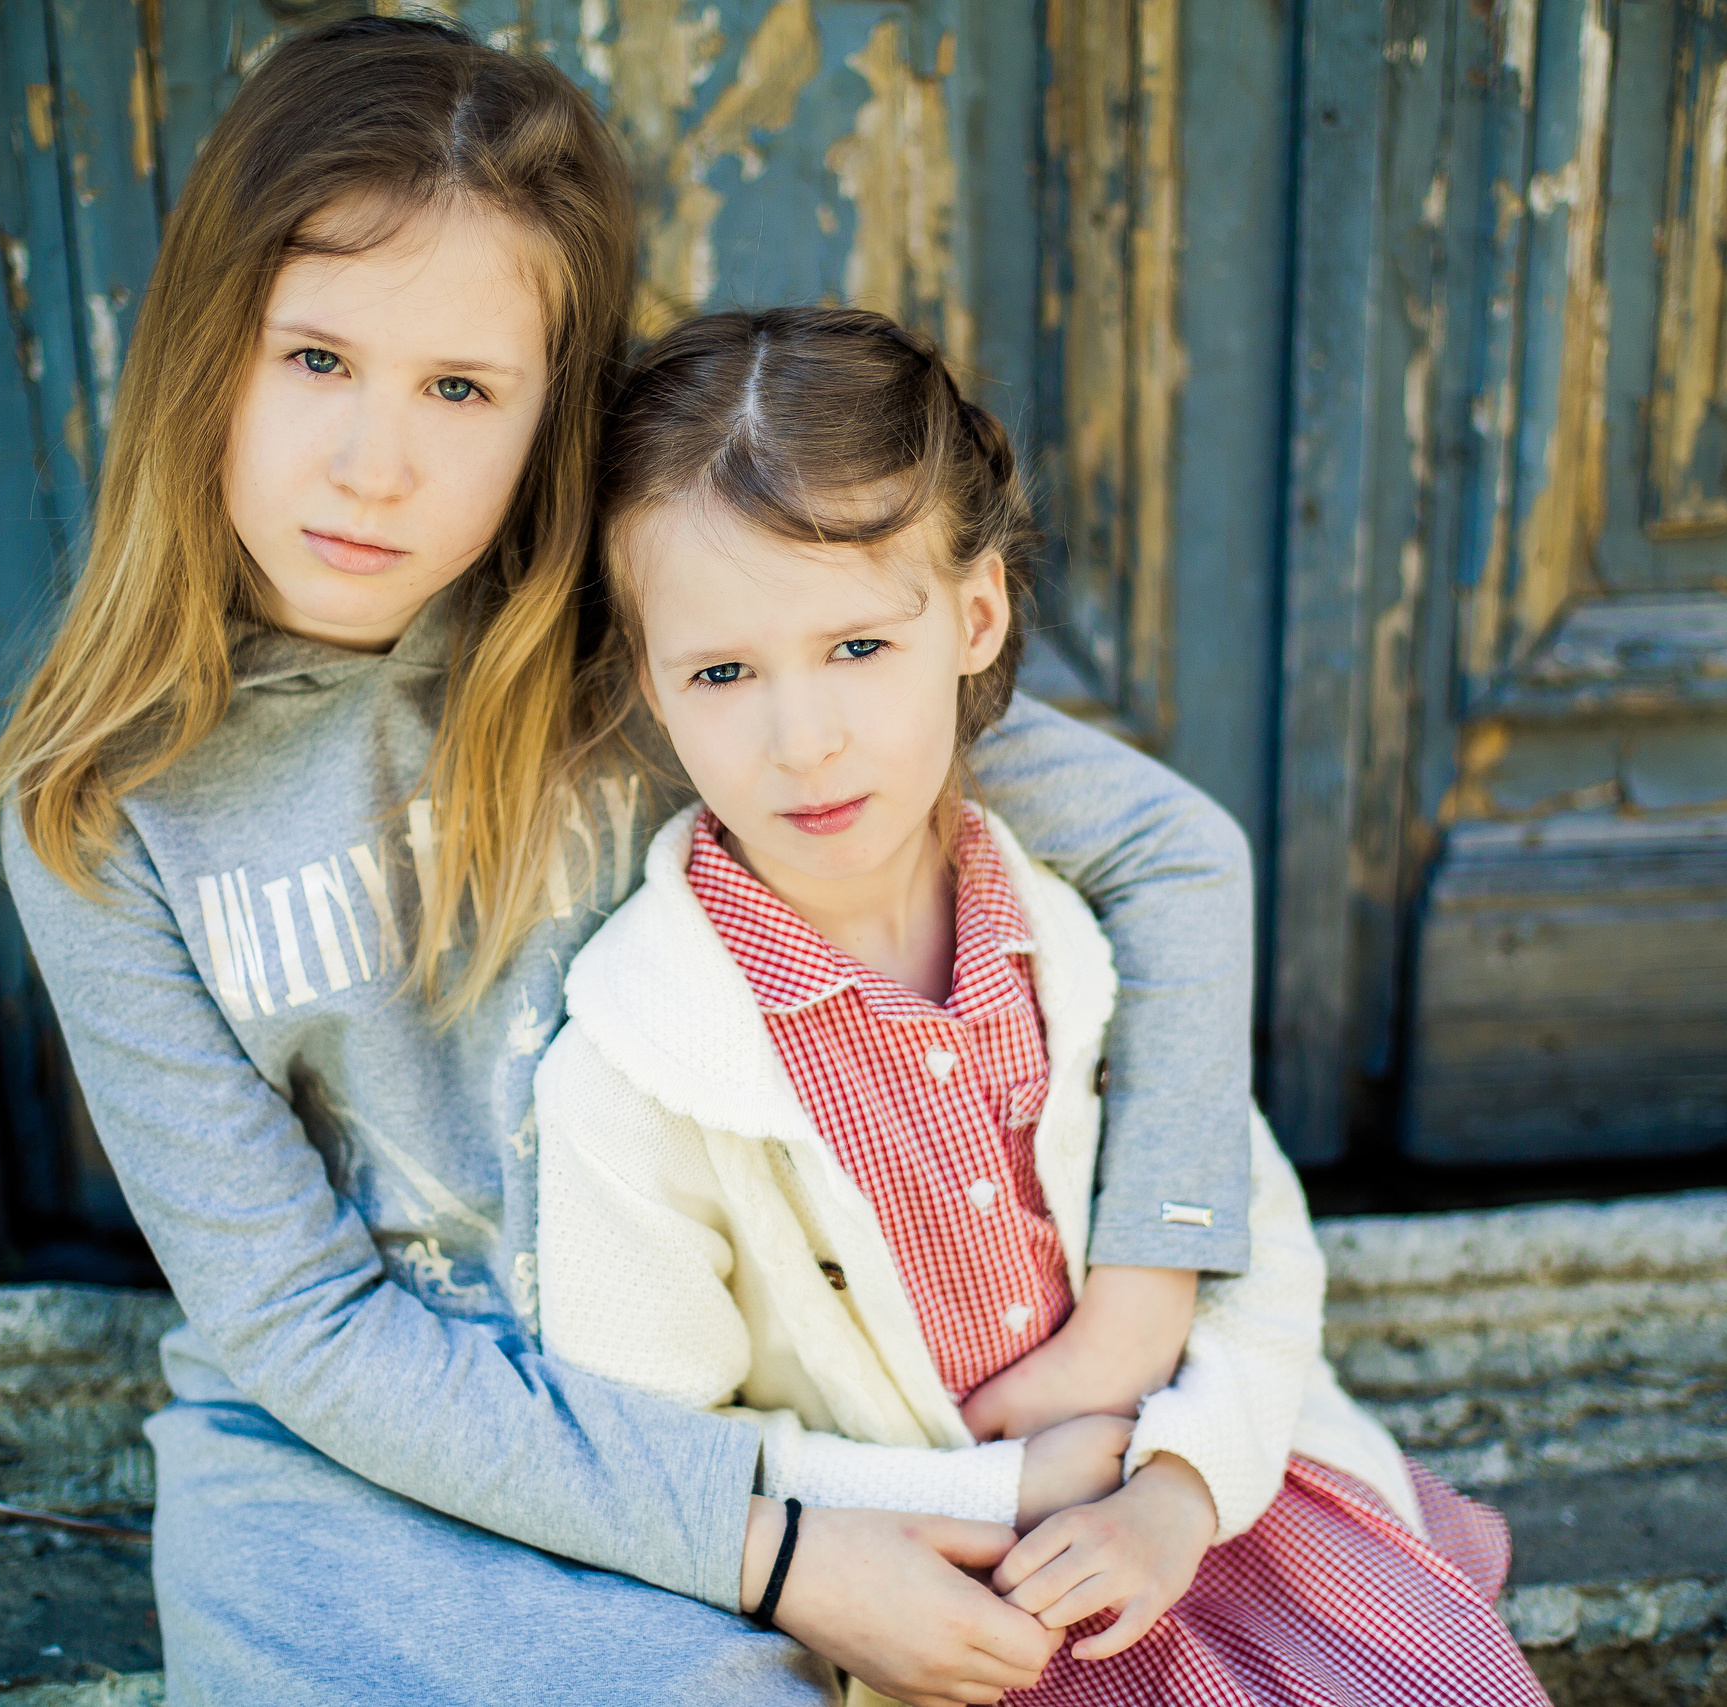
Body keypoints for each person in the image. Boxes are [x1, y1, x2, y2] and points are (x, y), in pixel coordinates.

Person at [0, 18, 1259, 1706]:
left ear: (548, 413)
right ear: (209, 344)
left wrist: (1144, 1295)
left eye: (461, 389)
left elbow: (1171, 848)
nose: (376, 463)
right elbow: (300, 1325)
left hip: (765, 1383)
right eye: (315, 360)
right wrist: (771, 1552)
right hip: (369, 1461)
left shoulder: (672, 635)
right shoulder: (96, 811)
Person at [533, 306, 1555, 1707]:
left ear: (976, 615)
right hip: (937, 1614)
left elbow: (1254, 1256)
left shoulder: (1071, 948)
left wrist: (1179, 1492)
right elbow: (652, 1455)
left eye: (857, 648)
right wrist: (1010, 1483)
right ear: (647, 685)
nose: (802, 736)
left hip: (1200, 1531)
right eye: (722, 673)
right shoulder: (644, 1066)